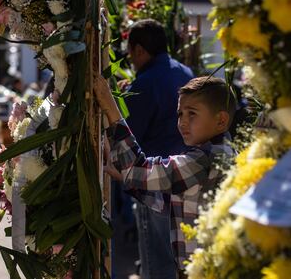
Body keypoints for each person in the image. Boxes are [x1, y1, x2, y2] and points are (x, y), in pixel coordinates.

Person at [95, 75, 236, 279]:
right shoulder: (224, 153)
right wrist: (128, 178)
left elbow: (138, 168)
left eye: (192, 114)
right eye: (180, 114)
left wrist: (110, 107)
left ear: (221, 120)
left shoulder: (204, 160)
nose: (182, 122)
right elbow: (170, 203)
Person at [119, 19, 194, 279]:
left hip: (155, 183)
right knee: (178, 261)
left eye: (130, 54)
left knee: (157, 263)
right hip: (186, 176)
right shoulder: (185, 72)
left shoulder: (145, 83)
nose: (131, 60)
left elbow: (129, 137)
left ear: (139, 50)